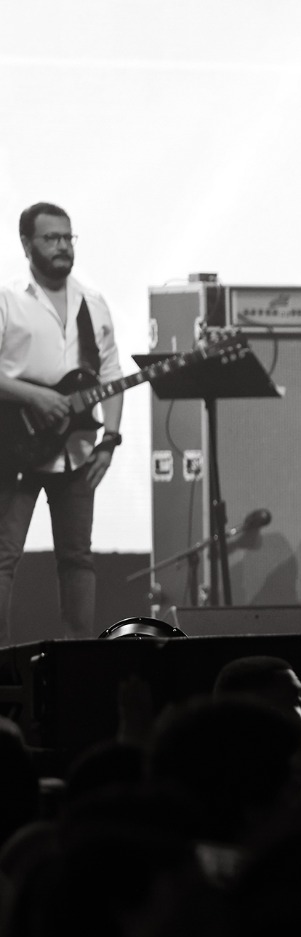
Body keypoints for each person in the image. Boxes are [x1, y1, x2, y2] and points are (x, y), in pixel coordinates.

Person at [0, 203, 124, 645]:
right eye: (51, 238)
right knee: (4, 558)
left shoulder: (93, 302)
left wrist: (110, 439)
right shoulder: (8, 298)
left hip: (77, 450)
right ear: (26, 244)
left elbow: (111, 376)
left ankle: (76, 662)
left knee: (77, 559)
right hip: (15, 446)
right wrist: (34, 396)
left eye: (67, 237)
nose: (62, 246)